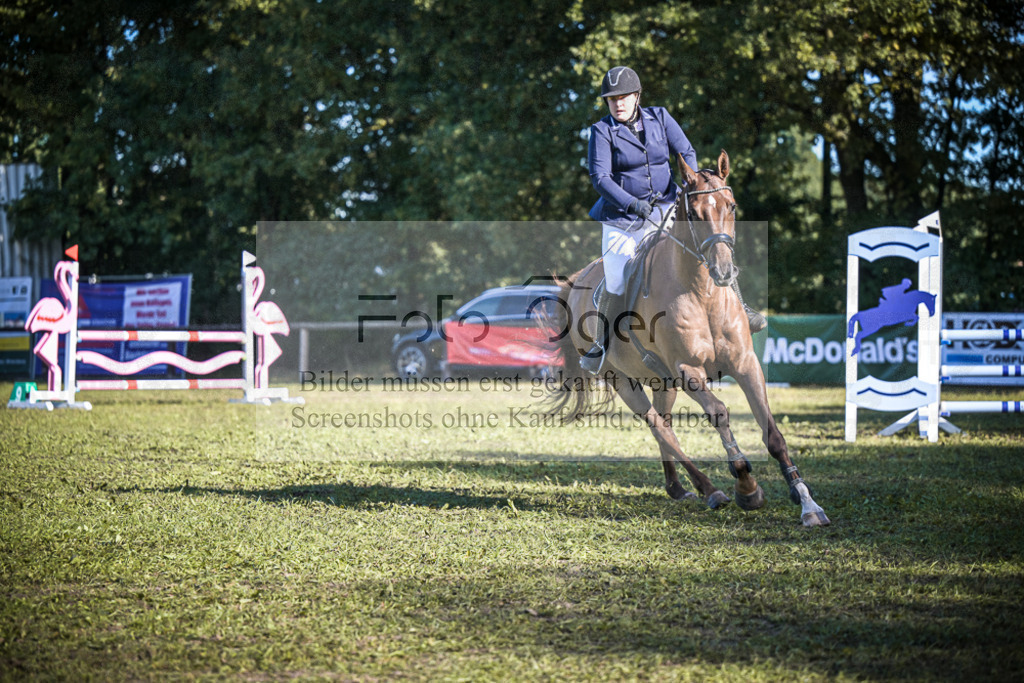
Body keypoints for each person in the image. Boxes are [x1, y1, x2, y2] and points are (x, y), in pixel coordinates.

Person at [582, 66, 766, 374]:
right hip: (622, 218)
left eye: (623, 97)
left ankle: (741, 306)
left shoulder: (661, 118)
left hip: (667, 207)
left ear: (636, 96)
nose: (617, 103)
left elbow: (686, 151)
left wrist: (691, 186)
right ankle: (602, 343)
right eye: (611, 99)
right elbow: (599, 178)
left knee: (708, 247)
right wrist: (631, 203)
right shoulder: (602, 131)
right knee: (615, 276)